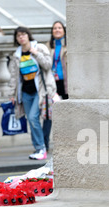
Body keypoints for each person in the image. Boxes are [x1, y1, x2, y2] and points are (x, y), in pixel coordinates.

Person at [8, 26, 56, 160]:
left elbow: (48, 65)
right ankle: (38, 148)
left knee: (34, 118)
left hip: (40, 91)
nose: (21, 37)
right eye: (18, 36)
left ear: (28, 35)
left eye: (23, 34)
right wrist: (12, 94)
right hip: (25, 92)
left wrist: (36, 53)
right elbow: (14, 76)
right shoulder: (16, 55)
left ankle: (41, 148)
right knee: (31, 119)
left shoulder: (39, 47)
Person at [43, 21, 68, 151]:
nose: (57, 30)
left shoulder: (69, 45)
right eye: (54, 28)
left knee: (68, 112)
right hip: (52, 84)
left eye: (59, 28)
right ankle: (44, 145)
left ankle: (68, 142)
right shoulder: (48, 46)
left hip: (66, 83)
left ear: (64, 30)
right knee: (49, 113)